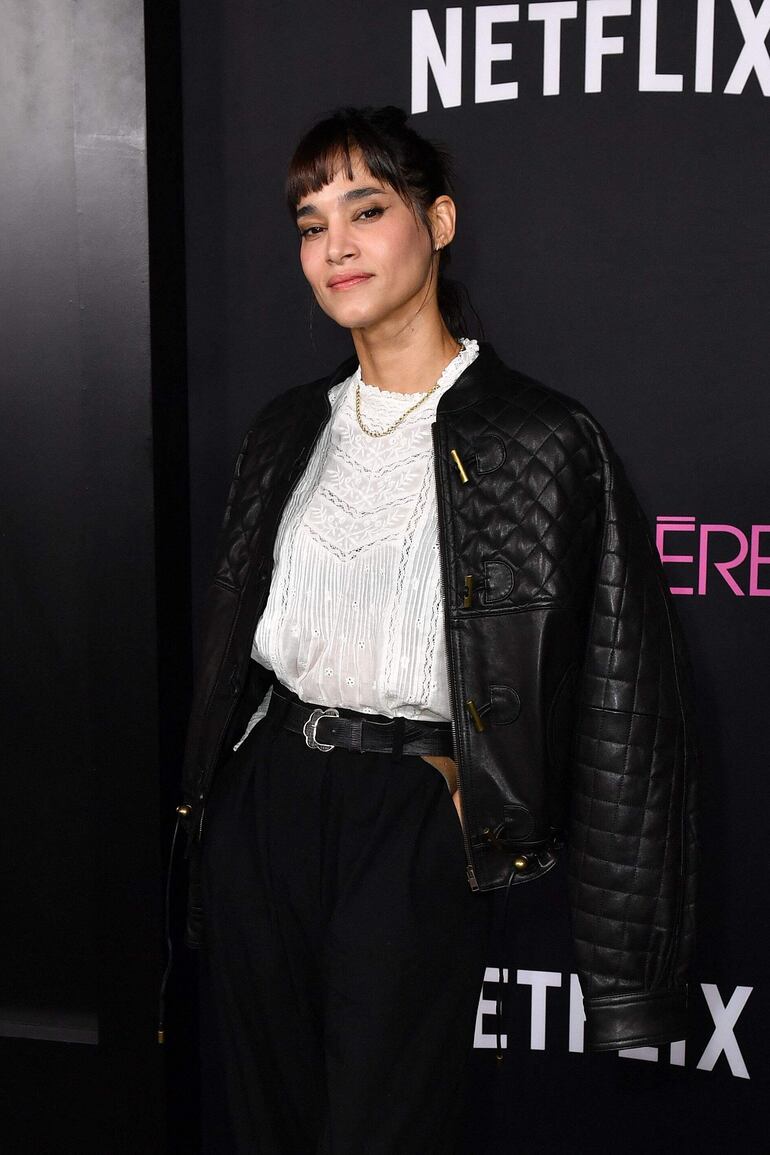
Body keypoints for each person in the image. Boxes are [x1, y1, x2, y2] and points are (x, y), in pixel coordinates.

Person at [178, 106, 698, 1154]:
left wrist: (624, 971)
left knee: (382, 1131)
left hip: (411, 817)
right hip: (266, 798)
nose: (335, 245)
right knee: (262, 1125)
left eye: (366, 209)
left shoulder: (541, 438)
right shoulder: (287, 427)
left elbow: (622, 701)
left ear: (439, 222)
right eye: (310, 221)